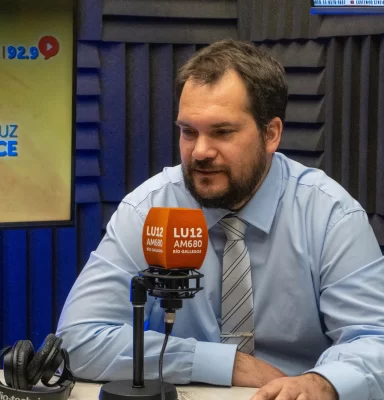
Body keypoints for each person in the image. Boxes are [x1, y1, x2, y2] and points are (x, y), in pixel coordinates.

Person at [56, 39, 384, 400]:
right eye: (188, 131)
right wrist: (224, 364)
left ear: (271, 134)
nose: (199, 151)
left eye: (222, 132)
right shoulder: (150, 210)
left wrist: (322, 383)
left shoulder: (329, 215)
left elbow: (375, 339)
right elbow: (78, 338)